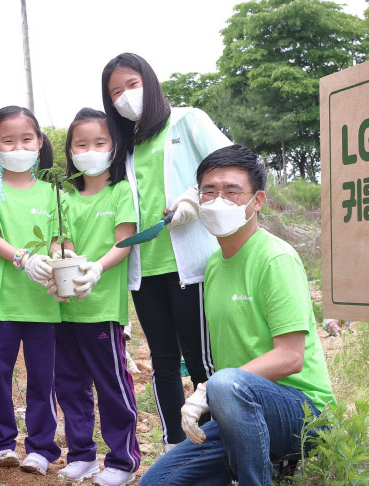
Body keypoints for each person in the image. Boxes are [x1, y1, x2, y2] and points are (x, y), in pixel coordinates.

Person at [141, 145, 336, 486]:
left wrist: (210, 390)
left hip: (304, 413)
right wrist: (210, 392)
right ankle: (252, 464)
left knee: (225, 383)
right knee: (158, 482)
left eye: (232, 191)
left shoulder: (275, 258)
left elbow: (290, 358)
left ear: (257, 200)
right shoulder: (214, 265)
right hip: (241, 412)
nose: (219, 200)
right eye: (209, 191)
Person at [101, 52, 231, 453]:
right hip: (145, 269)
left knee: (200, 360)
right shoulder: (124, 146)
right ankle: (177, 446)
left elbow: (232, 163)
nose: (126, 96)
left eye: (131, 85)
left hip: (190, 265)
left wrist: (196, 196)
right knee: (161, 361)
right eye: (116, 92)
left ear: (149, 81)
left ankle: (218, 442)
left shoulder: (187, 120)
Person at [49, 107, 140, 486]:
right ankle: (82, 455)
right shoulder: (63, 195)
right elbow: (60, 241)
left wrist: (97, 267)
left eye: (99, 142)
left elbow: (125, 242)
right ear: (70, 151)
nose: (89, 150)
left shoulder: (122, 191)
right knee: (69, 384)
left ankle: (122, 460)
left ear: (114, 146)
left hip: (102, 308)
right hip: (64, 309)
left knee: (111, 384)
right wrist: (63, 258)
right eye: (80, 144)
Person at [0, 106, 61, 475]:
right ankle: (0, 444)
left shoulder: (54, 192)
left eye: (26, 139)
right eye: (9, 140)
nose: (18, 146)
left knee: (43, 380)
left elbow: (58, 241)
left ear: (39, 143)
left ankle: (41, 449)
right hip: (1, 304)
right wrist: (24, 258)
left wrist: (58, 260)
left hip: (44, 305)